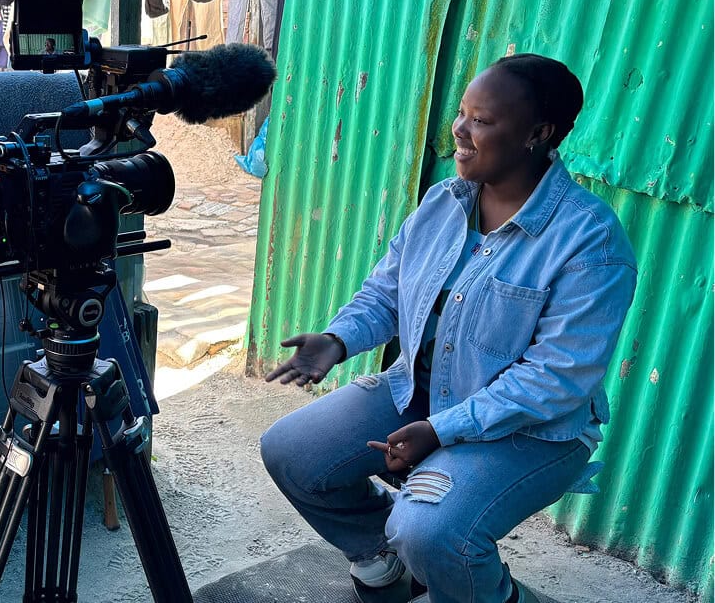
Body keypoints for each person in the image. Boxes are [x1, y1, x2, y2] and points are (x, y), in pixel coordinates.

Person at [260, 53, 637, 603]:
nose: (459, 129)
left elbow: (555, 380)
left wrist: (441, 432)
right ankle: (387, 562)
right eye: (462, 113)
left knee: (430, 530)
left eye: (481, 120)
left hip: (533, 431)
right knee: (292, 450)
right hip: (424, 395)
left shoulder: (590, 242)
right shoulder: (444, 201)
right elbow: (387, 293)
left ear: (539, 133)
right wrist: (338, 340)